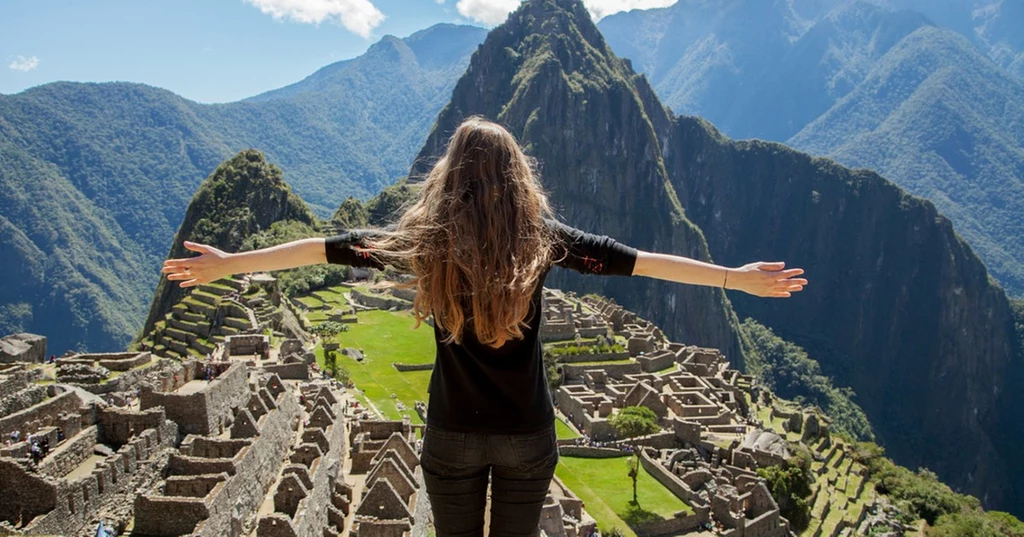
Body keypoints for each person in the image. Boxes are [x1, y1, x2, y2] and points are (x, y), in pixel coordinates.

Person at [160, 116, 807, 537]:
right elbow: (640, 263)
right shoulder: (542, 240)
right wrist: (733, 277)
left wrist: (233, 265)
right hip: (527, 436)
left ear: (452, 176)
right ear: (515, 176)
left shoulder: (426, 240)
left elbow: (326, 247)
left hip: (452, 435)